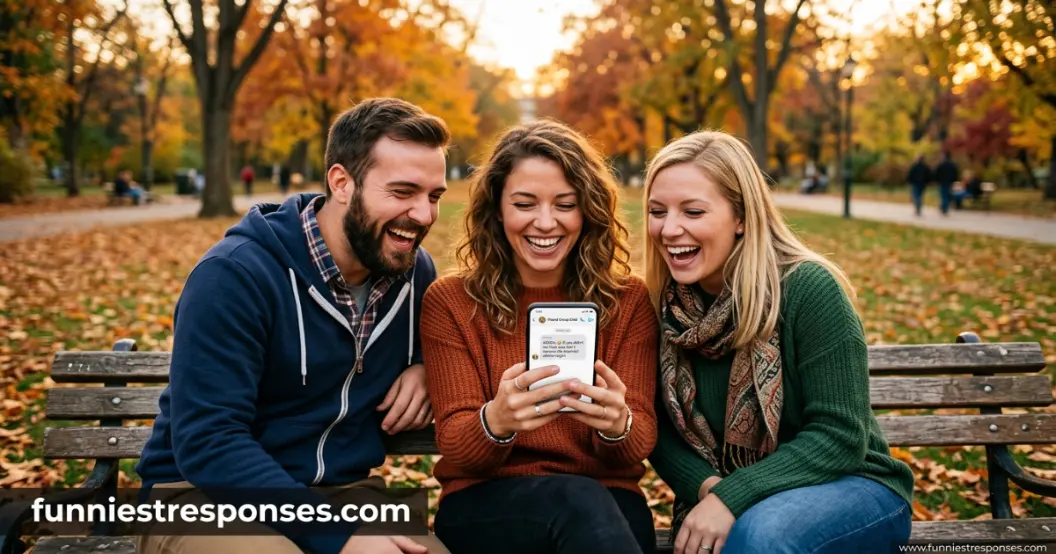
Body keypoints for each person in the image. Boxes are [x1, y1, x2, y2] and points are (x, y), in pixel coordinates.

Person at [135, 98, 453, 554]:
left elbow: (453, 339)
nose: (423, 215)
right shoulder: (235, 276)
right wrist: (335, 536)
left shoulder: (413, 273)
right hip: (204, 498)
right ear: (342, 183)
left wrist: (426, 364)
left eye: (433, 196)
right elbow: (209, 441)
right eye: (403, 192)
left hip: (346, 497)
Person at [643, 131, 915, 554]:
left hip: (854, 486)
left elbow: (841, 434)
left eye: (693, 211)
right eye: (657, 211)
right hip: (731, 498)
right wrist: (710, 489)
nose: (669, 228)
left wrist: (733, 496)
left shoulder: (807, 289)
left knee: (760, 535)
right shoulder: (665, 308)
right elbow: (659, 428)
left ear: (741, 217)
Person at [419, 120, 660, 554]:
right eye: (525, 203)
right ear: (497, 209)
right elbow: (456, 444)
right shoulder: (452, 302)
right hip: (485, 503)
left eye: (565, 204)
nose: (545, 223)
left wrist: (617, 425)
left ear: (587, 210)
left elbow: (637, 441)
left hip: (607, 496)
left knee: (598, 508)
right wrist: (497, 422)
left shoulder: (628, 301)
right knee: (577, 501)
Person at [934, 151, 959, 216]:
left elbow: (937, 173)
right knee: (946, 195)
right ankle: (944, 207)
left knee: (944, 195)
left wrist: (937, 180)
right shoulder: (952, 165)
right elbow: (955, 173)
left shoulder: (941, 164)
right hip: (949, 182)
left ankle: (944, 208)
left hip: (943, 182)